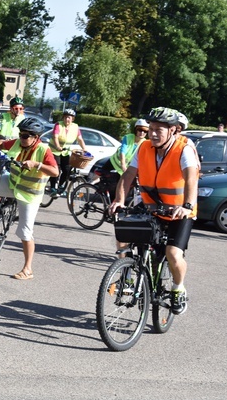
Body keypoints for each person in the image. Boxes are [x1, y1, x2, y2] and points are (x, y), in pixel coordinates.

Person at [109, 107, 199, 315]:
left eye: (160, 129)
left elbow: (191, 178)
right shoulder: (144, 148)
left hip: (180, 210)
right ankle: (126, 273)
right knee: (124, 228)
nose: (153, 133)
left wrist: (186, 206)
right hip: (151, 206)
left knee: (173, 253)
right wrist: (119, 200)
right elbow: (129, 174)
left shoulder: (184, 148)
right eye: (151, 128)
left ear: (174, 130)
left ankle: (178, 289)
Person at [0, 118, 58, 280]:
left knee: (25, 232)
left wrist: (37, 165)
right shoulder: (17, 142)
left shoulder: (44, 150)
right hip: (12, 184)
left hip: (29, 195)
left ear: (35, 137)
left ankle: (27, 269)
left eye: (25, 136)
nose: (21, 138)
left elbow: (55, 172)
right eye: (20, 134)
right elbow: (1, 144)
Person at [48, 108, 87, 195]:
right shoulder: (58, 125)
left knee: (67, 169)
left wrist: (85, 149)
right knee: (56, 169)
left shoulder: (75, 127)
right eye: (65, 117)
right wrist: (57, 146)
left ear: (72, 119)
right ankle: (53, 187)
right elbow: (55, 136)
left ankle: (61, 186)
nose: (67, 119)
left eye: (69, 117)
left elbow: (80, 139)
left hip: (65, 152)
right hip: (54, 151)